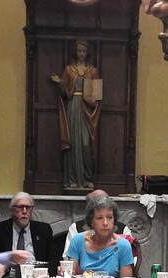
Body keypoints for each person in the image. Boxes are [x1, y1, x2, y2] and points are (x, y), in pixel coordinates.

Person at [50, 38, 100, 190]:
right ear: (75, 52)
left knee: (86, 144)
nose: (81, 54)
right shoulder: (69, 70)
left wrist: (93, 101)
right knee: (72, 144)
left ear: (87, 52)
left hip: (86, 110)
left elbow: (97, 95)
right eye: (79, 51)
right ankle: (72, 179)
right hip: (73, 108)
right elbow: (65, 93)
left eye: (84, 51)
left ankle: (86, 178)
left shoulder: (93, 71)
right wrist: (59, 82)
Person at [65, 195, 134, 277]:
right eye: (99, 218)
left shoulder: (123, 245)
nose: (105, 223)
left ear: (114, 220)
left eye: (109, 217)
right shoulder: (78, 240)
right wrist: (64, 273)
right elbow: (69, 275)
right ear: (91, 222)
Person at [0, 191, 52, 273]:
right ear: (12, 210)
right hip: (8, 276)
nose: (24, 211)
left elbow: (52, 260)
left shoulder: (44, 230)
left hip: (35, 275)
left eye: (28, 207)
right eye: (20, 207)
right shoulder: (0, 229)